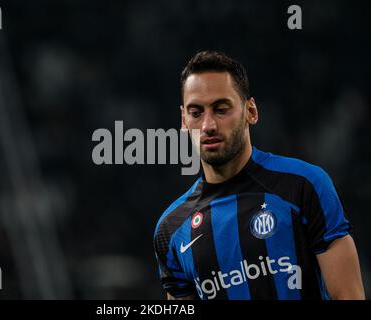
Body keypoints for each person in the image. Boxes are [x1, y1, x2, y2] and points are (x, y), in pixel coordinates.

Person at [153, 51, 365, 300]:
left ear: (250, 111)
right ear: (183, 121)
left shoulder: (304, 186)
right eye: (196, 112)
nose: (208, 125)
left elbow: (348, 295)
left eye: (221, 109)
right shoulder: (171, 229)